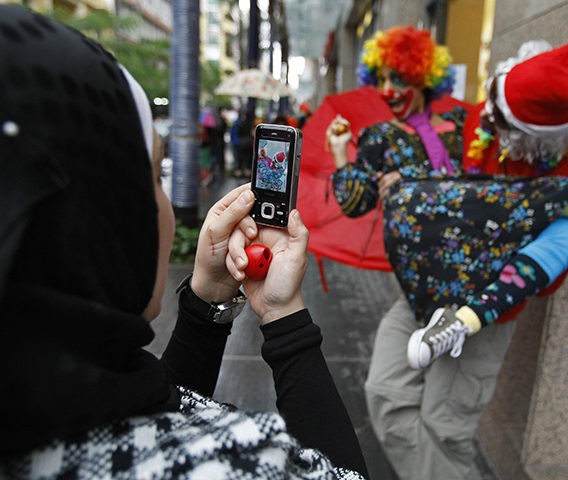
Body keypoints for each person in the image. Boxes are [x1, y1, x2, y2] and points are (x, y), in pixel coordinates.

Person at [0, 5, 368, 479]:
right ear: (87, 216)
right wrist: (284, 317)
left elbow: (160, 412)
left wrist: (207, 301)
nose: (167, 208)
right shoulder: (234, 466)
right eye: (152, 176)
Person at [325, 26, 568, 479]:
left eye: (500, 121)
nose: (485, 118)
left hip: (484, 315)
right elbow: (400, 189)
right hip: (419, 291)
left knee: (444, 426)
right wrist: (407, 186)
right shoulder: (474, 124)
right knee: (386, 395)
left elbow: (545, 275)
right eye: (490, 107)